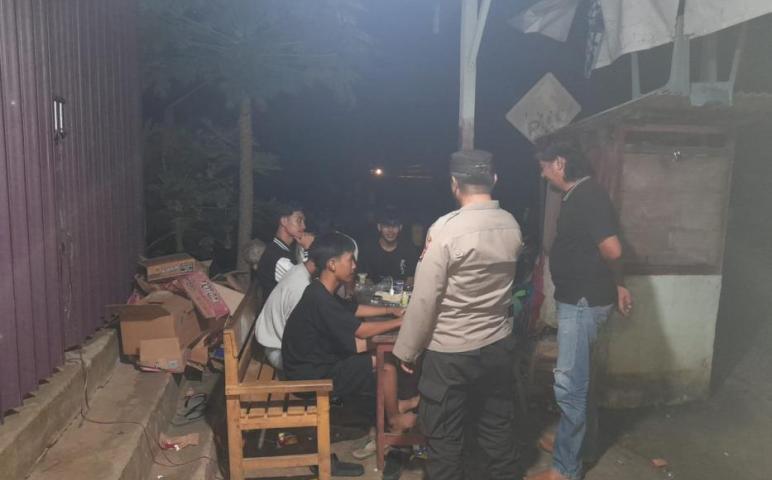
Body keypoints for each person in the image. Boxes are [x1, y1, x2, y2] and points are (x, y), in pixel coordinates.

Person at [393, 150, 523, 480]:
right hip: (497, 343)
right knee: (497, 430)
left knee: (444, 438)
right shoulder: (511, 224)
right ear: (494, 179)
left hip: (450, 351)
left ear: (454, 184)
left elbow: (426, 298)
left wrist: (407, 350)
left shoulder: (446, 230)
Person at [526, 141, 633, 480]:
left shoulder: (588, 196)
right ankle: (580, 447)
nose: (543, 174)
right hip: (582, 299)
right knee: (580, 381)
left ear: (559, 163)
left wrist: (616, 282)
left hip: (583, 303)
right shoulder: (579, 195)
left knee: (570, 385)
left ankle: (565, 469)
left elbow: (612, 249)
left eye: (544, 167)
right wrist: (619, 284)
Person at [281, 233, 418, 432]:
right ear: (332, 264)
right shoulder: (320, 298)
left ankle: (395, 406)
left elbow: (354, 309)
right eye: (350, 260)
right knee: (385, 363)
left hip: (315, 362)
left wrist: (391, 310)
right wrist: (401, 322)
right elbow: (362, 331)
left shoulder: (319, 289)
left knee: (378, 350)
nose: (354, 266)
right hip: (309, 375)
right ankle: (394, 419)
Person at [256, 202, 311, 297]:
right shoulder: (277, 257)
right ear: (284, 221)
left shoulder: (288, 250)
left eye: (303, 221)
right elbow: (305, 286)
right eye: (299, 220)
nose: (304, 226)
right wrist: (307, 249)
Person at [358, 207, 419, 283]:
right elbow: (365, 280)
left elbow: (411, 279)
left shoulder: (409, 249)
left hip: (402, 290)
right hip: (373, 290)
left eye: (394, 226)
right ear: (379, 227)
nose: (390, 231)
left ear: (400, 227)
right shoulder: (368, 249)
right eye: (386, 226)